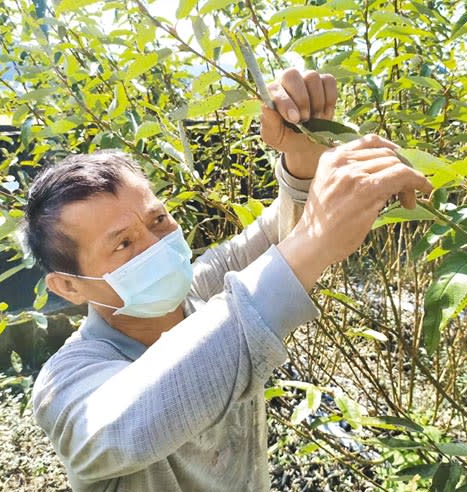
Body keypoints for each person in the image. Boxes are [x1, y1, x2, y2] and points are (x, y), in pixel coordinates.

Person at [26, 68, 432, 492]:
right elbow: (120, 429)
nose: (156, 245)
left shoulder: (198, 291)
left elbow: (273, 236)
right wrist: (315, 240)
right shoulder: (66, 382)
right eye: (123, 244)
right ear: (69, 286)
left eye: (159, 219)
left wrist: (303, 157)